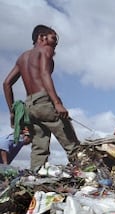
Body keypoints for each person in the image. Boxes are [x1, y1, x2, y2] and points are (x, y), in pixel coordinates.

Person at [3, 24, 79, 172]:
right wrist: (56, 103)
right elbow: (44, 74)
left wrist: (12, 111)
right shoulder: (45, 49)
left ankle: (35, 180)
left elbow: (6, 83)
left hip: (29, 107)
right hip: (45, 102)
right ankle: (89, 176)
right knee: (72, 145)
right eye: (53, 38)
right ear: (41, 37)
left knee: (39, 149)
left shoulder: (22, 57)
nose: (56, 43)